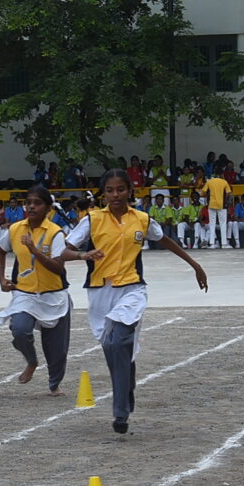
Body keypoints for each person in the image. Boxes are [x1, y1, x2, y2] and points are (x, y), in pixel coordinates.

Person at [59, 168, 208, 434]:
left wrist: (194, 265)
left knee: (120, 341)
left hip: (132, 288)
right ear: (103, 194)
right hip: (99, 291)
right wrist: (83, 255)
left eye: (121, 189)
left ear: (130, 191)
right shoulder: (92, 220)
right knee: (111, 347)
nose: (116, 195)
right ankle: (126, 386)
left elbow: (165, 240)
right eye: (110, 190)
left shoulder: (142, 219)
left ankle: (120, 412)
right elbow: (64, 251)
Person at [0, 185, 73, 395]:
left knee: (57, 348)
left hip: (54, 294)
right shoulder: (16, 229)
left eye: (37, 203)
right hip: (25, 293)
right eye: (28, 203)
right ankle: (31, 360)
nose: (32, 207)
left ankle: (54, 384)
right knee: (19, 329)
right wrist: (2, 279)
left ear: (48, 208)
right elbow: (0, 251)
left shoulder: (55, 233)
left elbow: (58, 267)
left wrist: (34, 250)